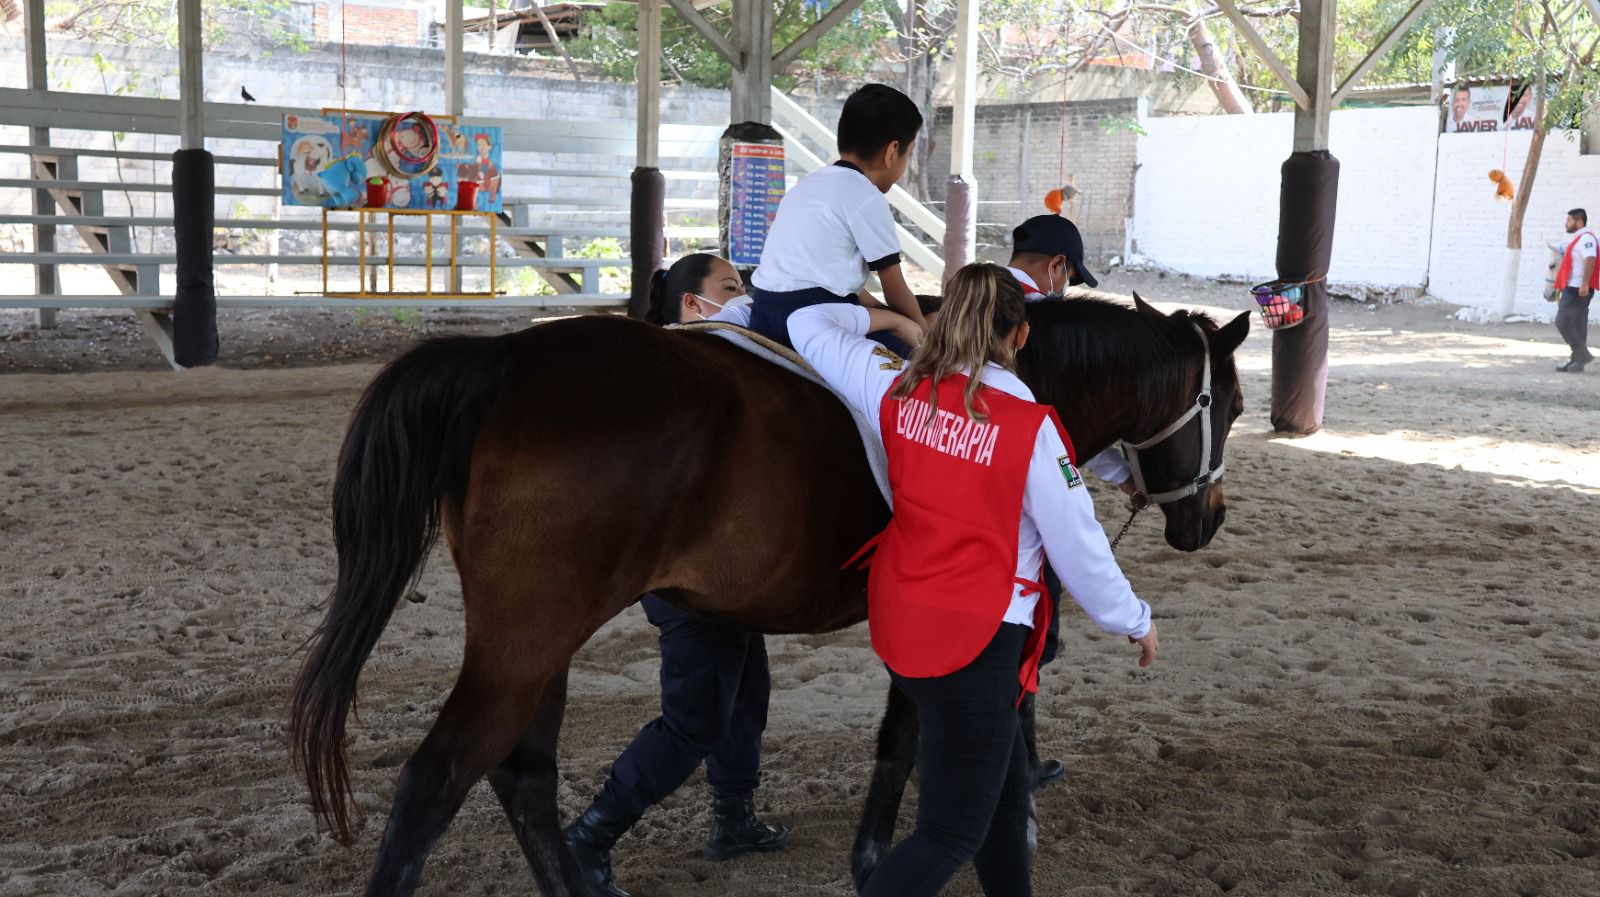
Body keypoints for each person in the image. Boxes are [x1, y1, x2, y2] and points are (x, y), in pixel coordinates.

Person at [791, 263, 1159, 897]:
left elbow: (805, 321)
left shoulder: (893, 387)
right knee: (950, 832)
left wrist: (893, 321)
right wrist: (1134, 620)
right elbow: (1079, 545)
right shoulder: (1029, 427)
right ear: (1020, 338)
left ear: (946, 321)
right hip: (977, 637)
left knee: (1005, 799)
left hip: (905, 621)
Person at [564, 253, 781, 897]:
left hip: (721, 566)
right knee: (694, 718)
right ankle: (590, 836)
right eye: (730, 289)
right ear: (694, 305)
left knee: (747, 692)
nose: (743, 299)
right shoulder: (675, 387)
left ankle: (733, 818)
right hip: (689, 573)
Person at [747, 83, 928, 355]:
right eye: (909, 152)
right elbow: (895, 290)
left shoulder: (806, 187)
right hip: (812, 319)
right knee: (913, 368)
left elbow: (834, 279)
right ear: (892, 152)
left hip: (763, 313)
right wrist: (928, 336)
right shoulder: (866, 196)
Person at [1005, 214, 1099, 298]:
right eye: (1068, 279)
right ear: (1056, 265)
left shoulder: (992, 285)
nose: (1064, 290)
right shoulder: (1032, 311)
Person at [1554, 208, 1596, 373]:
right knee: (1578, 323)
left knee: (1562, 321)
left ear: (1579, 222)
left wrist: (1585, 283)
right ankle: (1577, 361)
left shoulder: (1586, 239)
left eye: (1569, 220)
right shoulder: (1578, 239)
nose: (1566, 223)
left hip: (1578, 287)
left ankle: (1582, 354)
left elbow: (1590, 259)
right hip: (1575, 286)